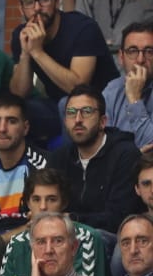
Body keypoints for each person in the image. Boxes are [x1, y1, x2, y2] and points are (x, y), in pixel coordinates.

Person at [9, 0, 119, 139]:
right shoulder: (21, 35)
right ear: (21, 9)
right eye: (29, 2)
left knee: (67, 105)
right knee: (15, 109)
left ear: (56, 1)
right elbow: (19, 94)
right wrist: (25, 53)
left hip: (103, 106)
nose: (37, 8)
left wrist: (37, 52)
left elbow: (78, 87)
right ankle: (32, 161)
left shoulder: (83, 28)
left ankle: (72, 162)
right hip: (56, 106)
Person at [0, 171, 110, 276]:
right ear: (28, 203)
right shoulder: (17, 242)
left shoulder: (86, 238)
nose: (43, 207)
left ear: (64, 203)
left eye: (51, 199)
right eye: (36, 199)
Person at [54, 85, 142, 234]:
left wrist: (74, 218)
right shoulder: (59, 157)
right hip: (65, 233)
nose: (78, 120)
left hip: (111, 236)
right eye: (71, 113)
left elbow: (120, 216)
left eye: (86, 112)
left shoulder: (125, 154)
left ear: (103, 122)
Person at [0, 94, 51, 235]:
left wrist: (2, 241)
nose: (2, 129)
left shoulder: (45, 165)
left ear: (25, 128)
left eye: (11, 121)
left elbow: (44, 222)